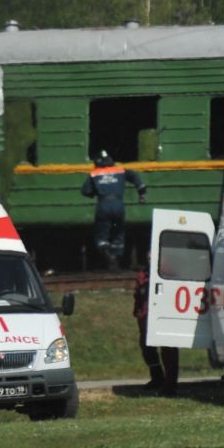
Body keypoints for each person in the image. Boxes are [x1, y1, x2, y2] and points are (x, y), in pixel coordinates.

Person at [80, 150, 146, 269]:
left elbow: (85, 191)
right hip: (118, 205)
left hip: (103, 204)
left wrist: (95, 192)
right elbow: (135, 177)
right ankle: (116, 259)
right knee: (118, 233)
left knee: (102, 235)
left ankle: (107, 256)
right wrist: (141, 192)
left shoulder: (95, 173)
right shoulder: (120, 170)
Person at [132, 263, 180, 394]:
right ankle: (157, 377)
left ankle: (170, 384)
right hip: (146, 316)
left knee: (168, 348)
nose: (149, 256)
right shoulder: (143, 275)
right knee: (146, 347)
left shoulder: (169, 272)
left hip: (165, 315)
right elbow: (138, 295)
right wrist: (138, 312)